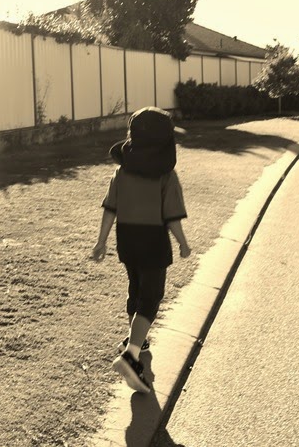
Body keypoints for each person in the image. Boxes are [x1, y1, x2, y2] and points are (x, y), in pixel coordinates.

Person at [91, 106, 191, 393]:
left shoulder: (121, 172)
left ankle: (137, 339)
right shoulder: (166, 176)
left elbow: (110, 209)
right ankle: (131, 355)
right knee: (151, 295)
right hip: (153, 239)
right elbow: (171, 218)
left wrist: (101, 241)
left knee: (135, 287)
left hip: (127, 238)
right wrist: (183, 243)